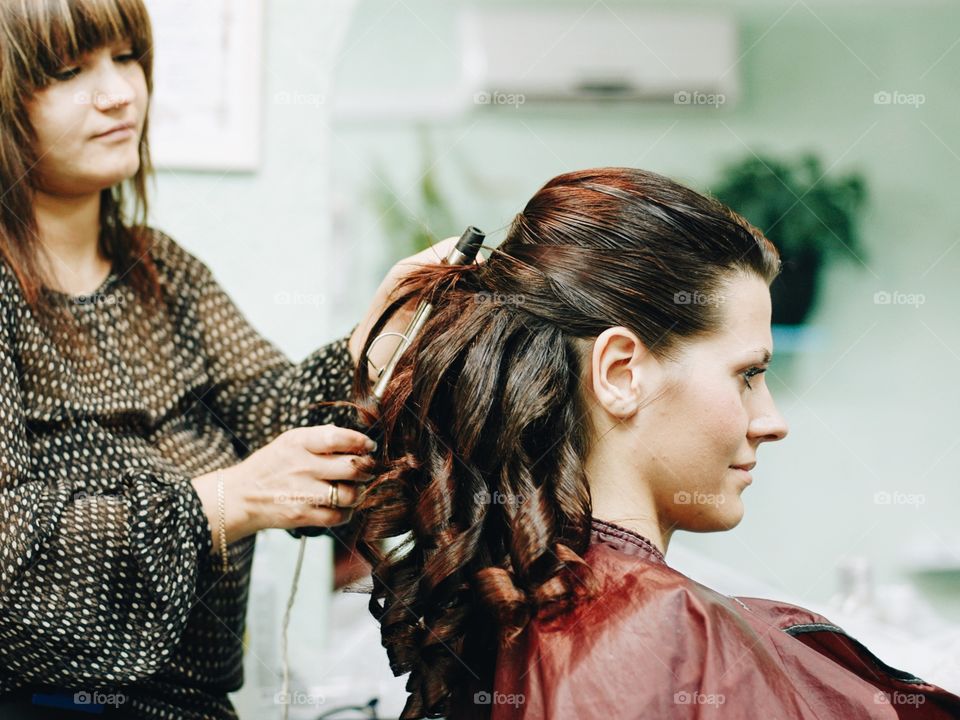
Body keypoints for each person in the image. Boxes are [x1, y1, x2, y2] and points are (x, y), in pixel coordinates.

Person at [352, 167, 960, 719]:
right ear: (621, 373)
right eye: (747, 374)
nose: (772, 421)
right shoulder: (650, 635)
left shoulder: (535, 607)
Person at [0, 0, 448, 717]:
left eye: (126, 57)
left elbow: (277, 415)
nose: (119, 92)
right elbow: (9, 547)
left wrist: (379, 337)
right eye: (68, 70)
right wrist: (225, 501)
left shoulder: (164, 273)